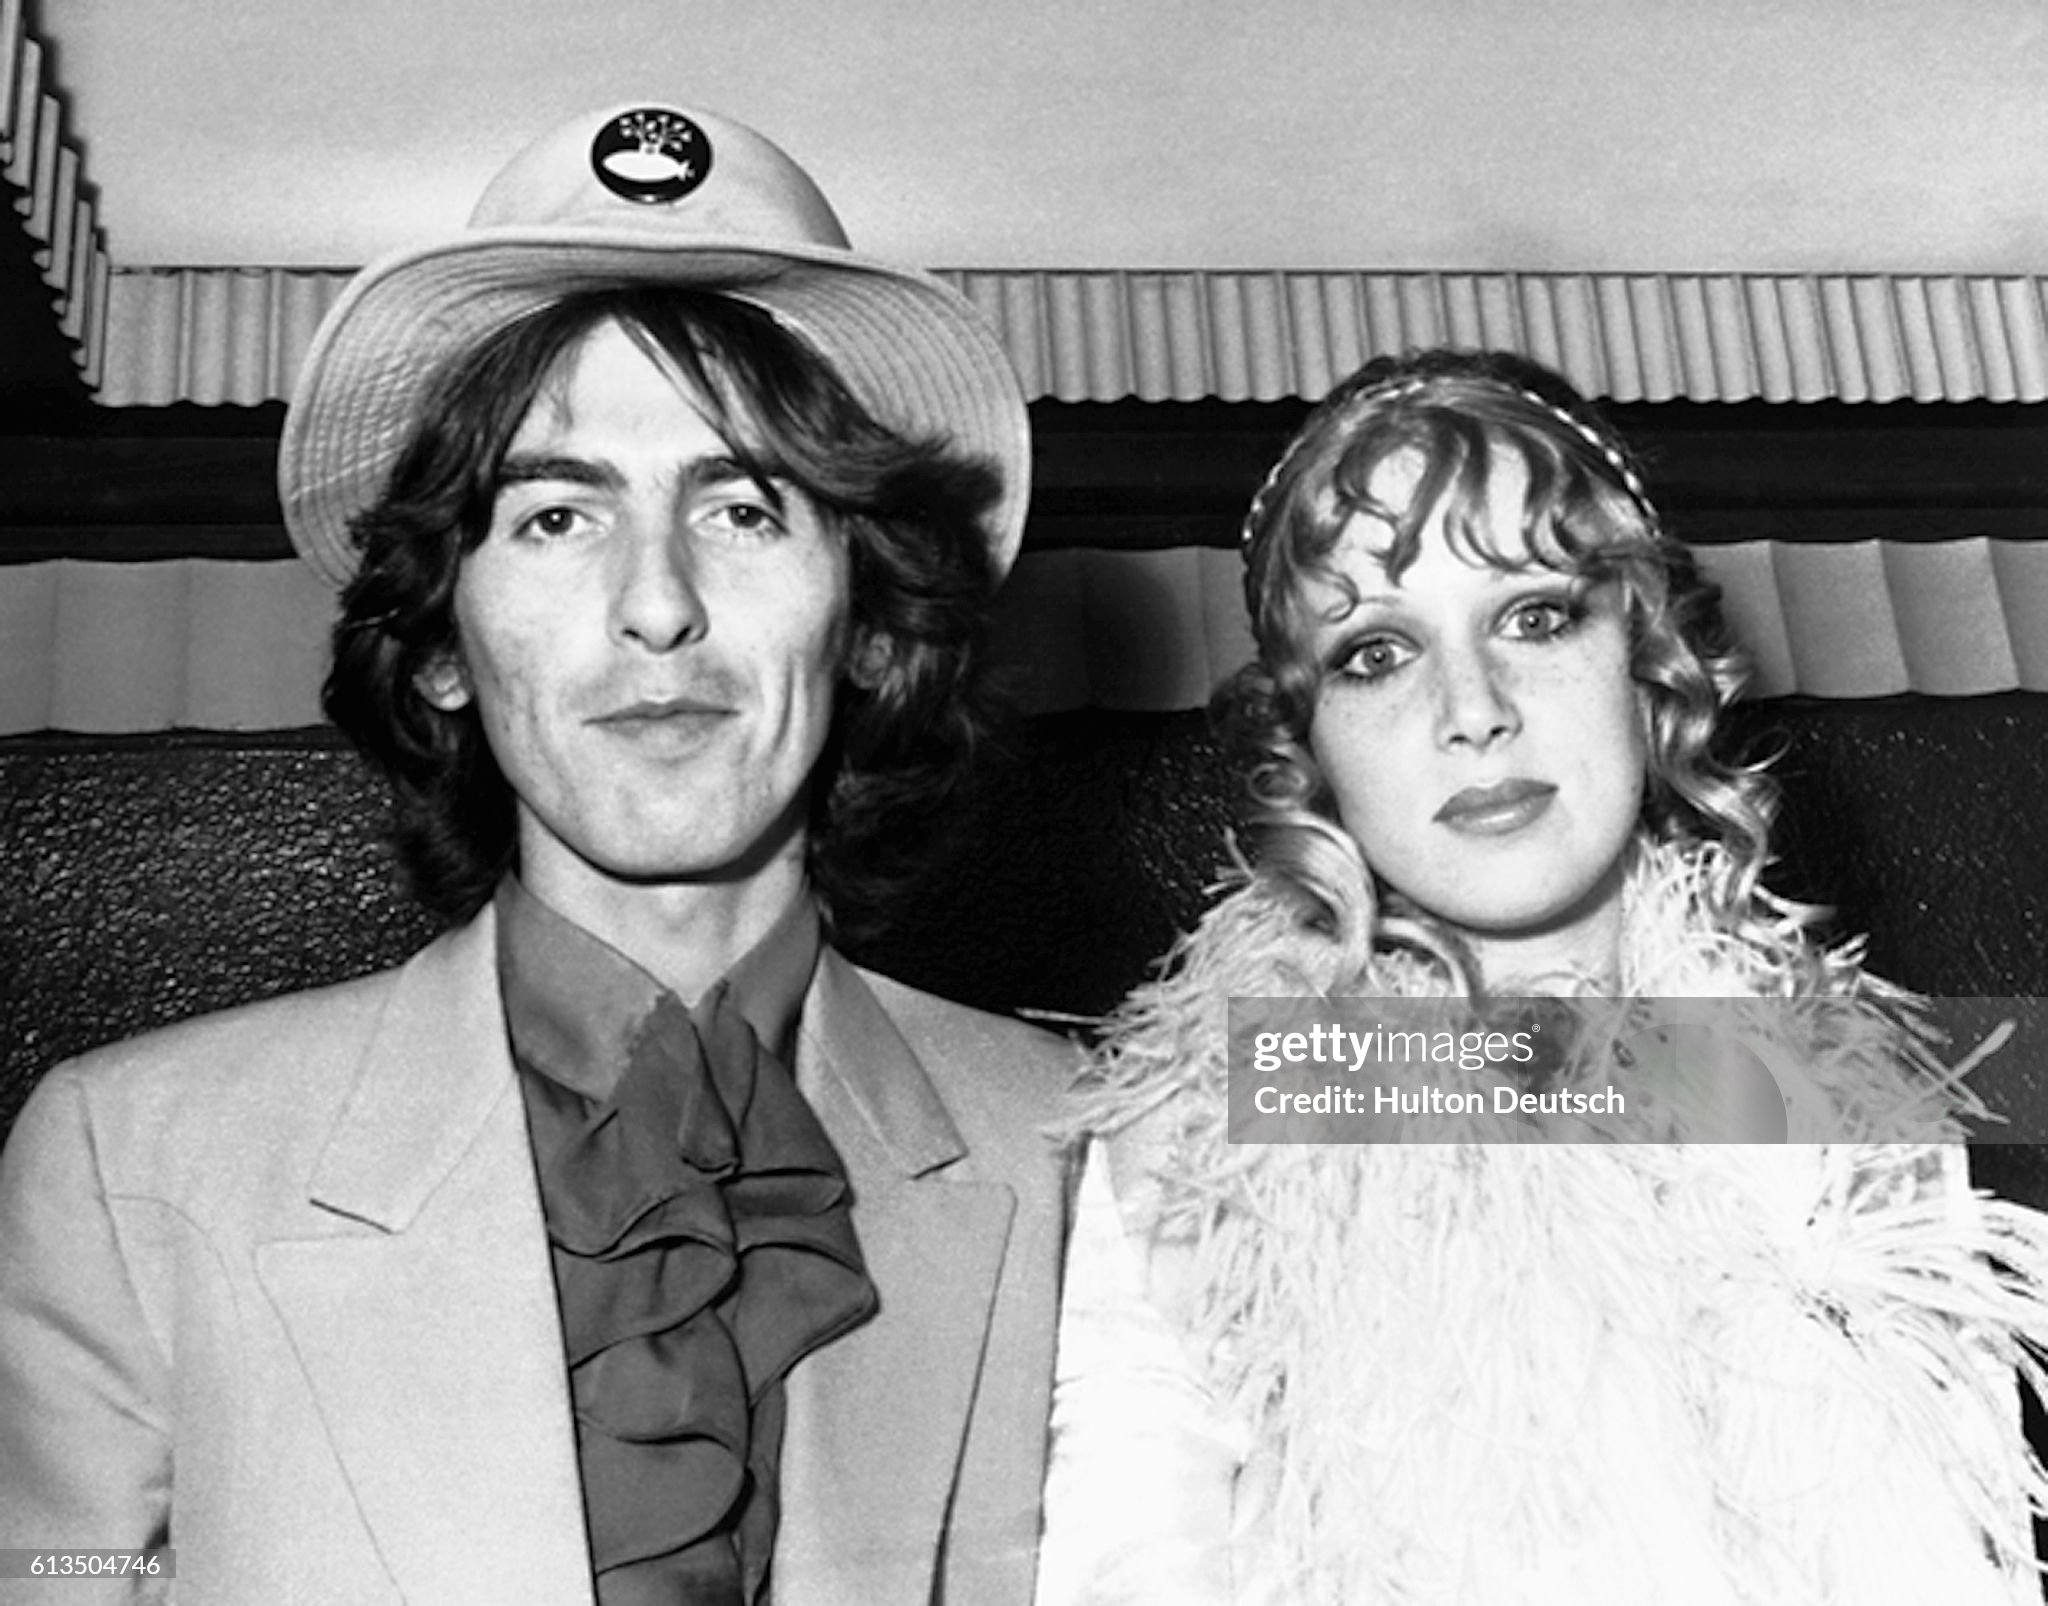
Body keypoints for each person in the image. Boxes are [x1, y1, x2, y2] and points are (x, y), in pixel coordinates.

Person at [0, 101, 1073, 1605]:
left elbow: (1444, 1118)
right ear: (443, 641)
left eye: (744, 507)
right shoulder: (128, 1156)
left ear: (871, 628)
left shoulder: (1092, 1145)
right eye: (559, 516)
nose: (658, 605)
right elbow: (50, 1562)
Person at [1034, 348, 2048, 1604]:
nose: (1472, 707)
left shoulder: (1835, 1091)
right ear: (1310, 746)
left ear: (1647, 664)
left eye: (1533, 616)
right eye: (1375, 651)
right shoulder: (1211, 1117)